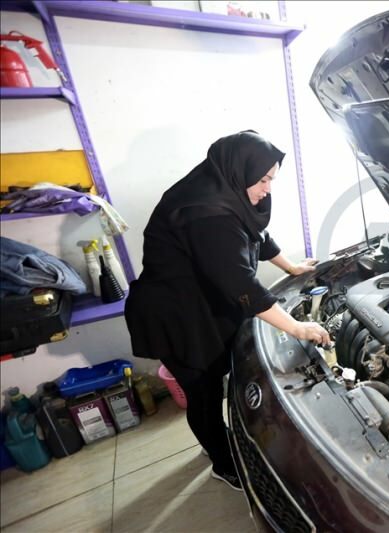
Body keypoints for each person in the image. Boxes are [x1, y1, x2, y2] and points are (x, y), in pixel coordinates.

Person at [124, 131, 330, 490]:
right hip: (176, 318)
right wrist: (296, 327)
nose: (268, 189)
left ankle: (218, 442)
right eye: (263, 179)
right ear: (240, 168)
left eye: (272, 180)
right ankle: (222, 462)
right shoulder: (207, 213)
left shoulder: (225, 190)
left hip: (201, 306)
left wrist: (292, 268)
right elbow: (241, 285)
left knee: (217, 387)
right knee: (203, 397)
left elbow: (256, 236)